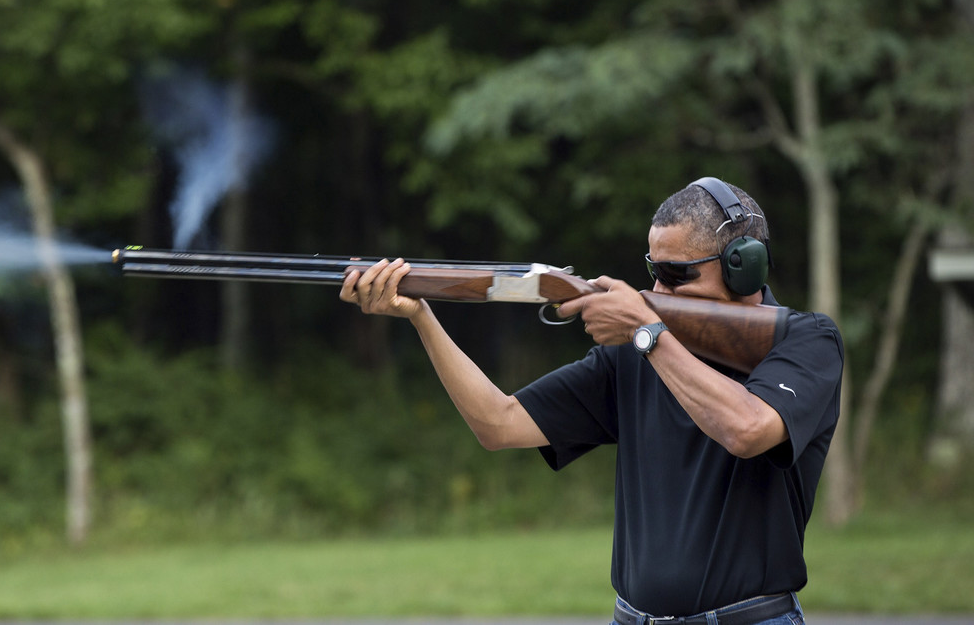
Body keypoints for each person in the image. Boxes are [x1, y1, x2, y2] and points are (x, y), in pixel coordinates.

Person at [339, 177, 843, 625]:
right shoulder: (635, 351)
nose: (655, 288)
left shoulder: (805, 342)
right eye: (653, 270)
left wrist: (647, 334)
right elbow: (497, 424)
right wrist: (422, 316)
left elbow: (748, 429)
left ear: (744, 267)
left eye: (675, 274)